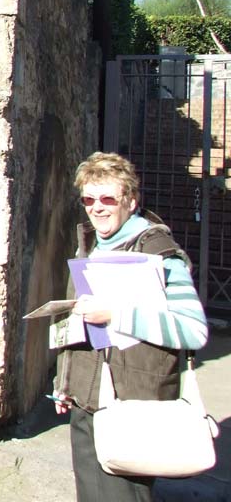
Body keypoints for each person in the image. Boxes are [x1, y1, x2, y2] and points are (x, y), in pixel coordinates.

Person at [52, 152, 208, 502]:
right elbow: (83, 326)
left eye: (108, 198)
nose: (98, 208)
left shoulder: (159, 253)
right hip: (86, 404)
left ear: (131, 201)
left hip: (134, 407)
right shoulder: (90, 247)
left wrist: (116, 315)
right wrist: (64, 382)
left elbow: (193, 330)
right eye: (89, 199)